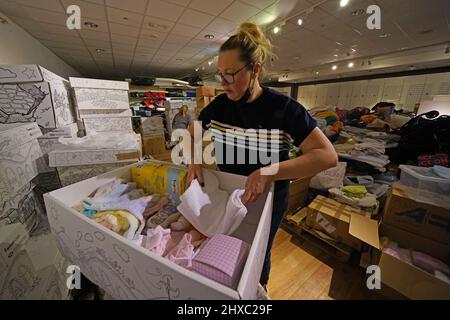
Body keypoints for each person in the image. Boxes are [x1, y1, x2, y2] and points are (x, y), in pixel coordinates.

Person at [186, 22, 338, 290]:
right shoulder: (220, 106)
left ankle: (257, 293)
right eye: (219, 74)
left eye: (230, 74)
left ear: (255, 69)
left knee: (258, 255)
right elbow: (194, 131)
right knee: (227, 246)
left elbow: (326, 155)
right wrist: (195, 161)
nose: (223, 83)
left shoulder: (284, 108)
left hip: (268, 200)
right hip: (229, 197)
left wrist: (269, 171)